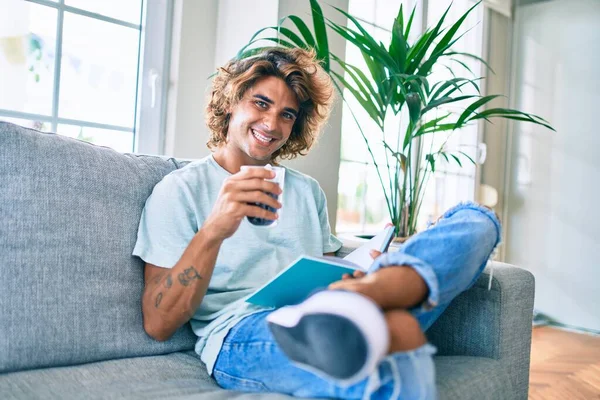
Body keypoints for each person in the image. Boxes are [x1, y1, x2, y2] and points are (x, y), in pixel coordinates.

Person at [133, 47, 501, 399]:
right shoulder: (179, 190)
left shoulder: (307, 191)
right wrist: (215, 228)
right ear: (230, 102)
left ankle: (368, 292)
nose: (272, 124)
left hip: (327, 307)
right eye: (261, 104)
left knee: (476, 221)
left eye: (287, 114)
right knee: (398, 332)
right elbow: (158, 323)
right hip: (241, 333)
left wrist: (359, 271)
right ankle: (368, 299)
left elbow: (328, 270)